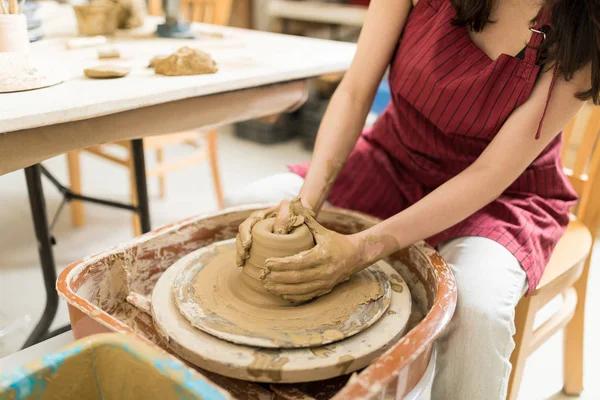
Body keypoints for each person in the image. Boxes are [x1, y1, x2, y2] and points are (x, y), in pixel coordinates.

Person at [225, 0, 599, 398]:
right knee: (248, 207)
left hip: (502, 195)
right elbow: (354, 91)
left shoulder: (585, 31)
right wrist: (306, 206)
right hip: (395, 157)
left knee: (477, 309)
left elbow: (489, 175)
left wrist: (358, 250)